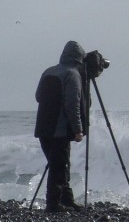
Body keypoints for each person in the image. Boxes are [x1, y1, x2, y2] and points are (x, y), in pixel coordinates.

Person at [34, 40, 89, 212]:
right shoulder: (72, 74)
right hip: (60, 128)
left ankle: (67, 199)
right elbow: (73, 104)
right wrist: (78, 129)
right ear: (79, 57)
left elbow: (37, 96)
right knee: (59, 166)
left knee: (57, 163)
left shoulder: (48, 71)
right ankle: (53, 204)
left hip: (43, 127)